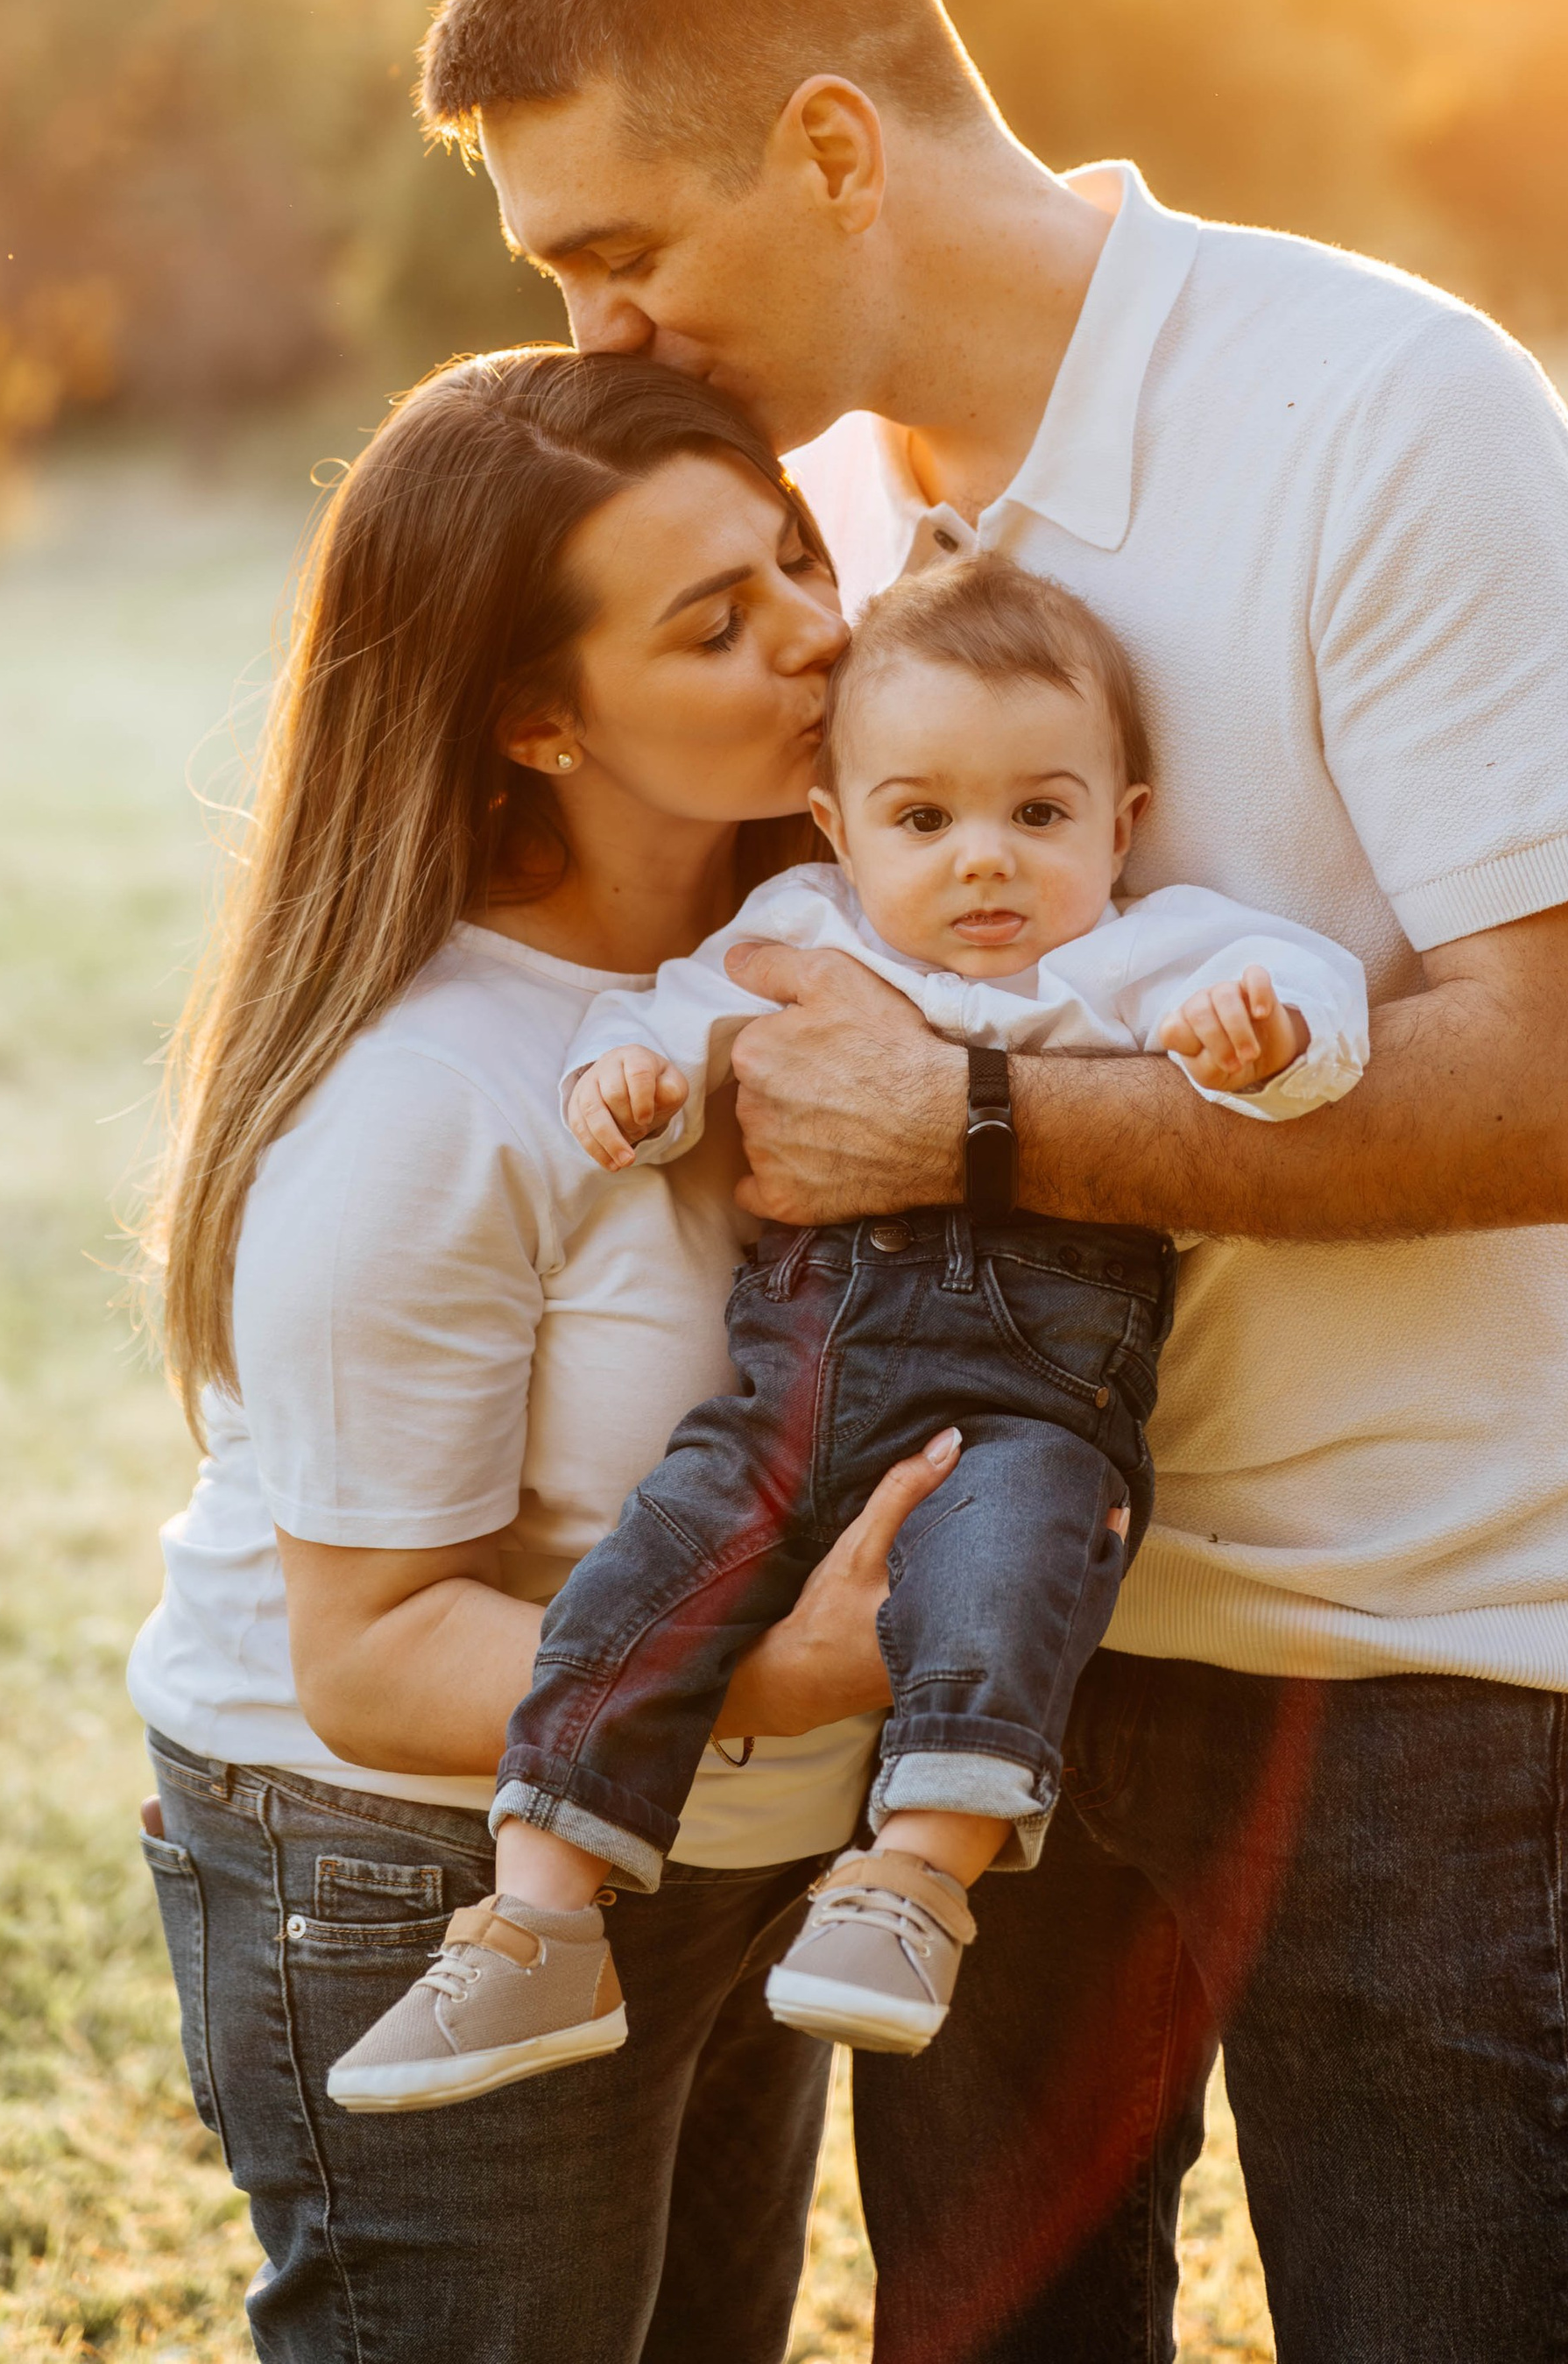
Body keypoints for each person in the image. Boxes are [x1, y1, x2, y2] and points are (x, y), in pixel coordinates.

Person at [416, 0, 1568, 2364]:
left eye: (621, 254)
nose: (600, 339)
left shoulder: (1384, 411)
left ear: (834, 150)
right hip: (951, 1664)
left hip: (1395, 1656)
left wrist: (978, 1126)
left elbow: (1566, 1095)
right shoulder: (794, 531)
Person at [126, 345, 957, 2364]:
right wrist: (780, 1673)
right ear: (533, 720)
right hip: (407, 1851)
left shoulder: (820, 947)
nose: (816, 633)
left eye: (795, 557)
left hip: (720, 1835)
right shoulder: (425, 1099)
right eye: (714, 622)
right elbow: (376, 1646)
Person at [329, 558, 1368, 2108]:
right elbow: (666, 1016)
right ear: (836, 829)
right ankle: (539, 1920)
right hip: (794, 1399)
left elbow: (1312, 988)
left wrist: (1265, 1036)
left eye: (1040, 813)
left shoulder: (1145, 957)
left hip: (1022, 1411)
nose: (983, 861)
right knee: (647, 1576)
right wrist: (636, 1086)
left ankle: (913, 1881)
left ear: (1123, 826)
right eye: (922, 819)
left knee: (1007, 1576)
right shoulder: (807, 928)